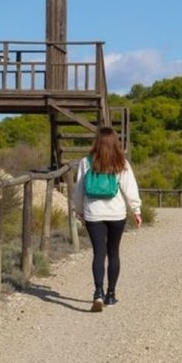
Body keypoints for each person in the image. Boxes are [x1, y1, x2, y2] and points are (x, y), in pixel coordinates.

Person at [71, 127, 142, 312]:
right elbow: (130, 189)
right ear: (115, 142)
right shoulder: (121, 163)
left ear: (97, 142)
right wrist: (136, 210)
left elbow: (79, 189)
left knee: (98, 253)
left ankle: (98, 293)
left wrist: (78, 210)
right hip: (116, 214)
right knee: (114, 252)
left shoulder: (86, 162)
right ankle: (111, 295)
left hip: (93, 214)